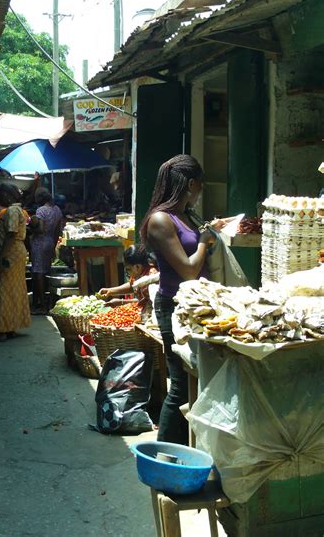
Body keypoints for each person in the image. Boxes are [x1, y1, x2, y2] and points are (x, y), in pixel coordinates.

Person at [140, 154, 227, 445]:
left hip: (197, 305)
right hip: (174, 307)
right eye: (200, 186)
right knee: (179, 384)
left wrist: (211, 231)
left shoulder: (187, 215)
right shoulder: (161, 220)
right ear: (191, 184)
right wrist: (204, 241)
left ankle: (189, 448)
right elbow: (188, 270)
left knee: (197, 381)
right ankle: (165, 454)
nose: (200, 192)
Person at [0, 183, 31, 341]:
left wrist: (1, 257)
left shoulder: (12, 211)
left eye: (1, 194)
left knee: (2, 290)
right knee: (13, 290)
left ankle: (2, 331)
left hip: (10, 253)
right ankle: (9, 326)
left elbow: (11, 235)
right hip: (16, 252)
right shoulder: (17, 210)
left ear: (7, 196)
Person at [99, 244, 158, 319]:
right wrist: (110, 291)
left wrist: (122, 302)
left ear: (137, 267)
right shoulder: (140, 272)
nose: (128, 272)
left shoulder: (151, 278)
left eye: (128, 269)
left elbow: (146, 302)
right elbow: (133, 286)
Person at [30, 187, 63, 314]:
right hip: (50, 242)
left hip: (39, 243)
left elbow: (41, 229)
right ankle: (46, 302)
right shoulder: (57, 210)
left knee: (38, 274)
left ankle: (42, 305)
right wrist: (54, 245)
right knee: (46, 273)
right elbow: (57, 231)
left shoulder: (40, 210)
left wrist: (31, 229)